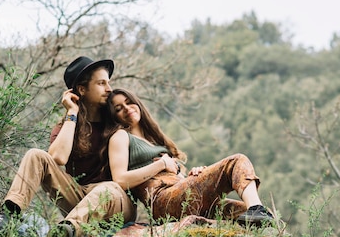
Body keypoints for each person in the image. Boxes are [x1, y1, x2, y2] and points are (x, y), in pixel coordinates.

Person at [0, 57, 136, 237]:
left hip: (117, 200)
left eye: (108, 82)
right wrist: (72, 113)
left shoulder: (117, 122)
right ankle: (7, 221)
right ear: (82, 90)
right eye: (101, 83)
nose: (109, 89)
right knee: (36, 155)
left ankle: (64, 232)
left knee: (107, 188)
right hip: (82, 199)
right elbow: (57, 158)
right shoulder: (68, 125)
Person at [105, 88, 274, 226]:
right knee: (236, 161)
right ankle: (256, 209)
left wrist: (193, 176)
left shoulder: (154, 140)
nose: (127, 108)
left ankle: (260, 220)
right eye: (119, 108)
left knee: (247, 212)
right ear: (114, 116)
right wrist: (162, 163)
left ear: (137, 103)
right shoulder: (120, 136)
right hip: (163, 201)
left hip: (180, 193)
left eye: (129, 102)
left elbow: (174, 177)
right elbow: (120, 179)